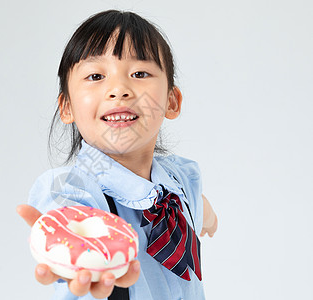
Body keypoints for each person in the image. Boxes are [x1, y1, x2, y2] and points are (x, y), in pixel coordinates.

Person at [17, 9, 218, 300]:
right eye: (96, 75)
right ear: (67, 107)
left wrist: (209, 219)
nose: (119, 89)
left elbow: (199, 207)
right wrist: (77, 259)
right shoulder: (72, 188)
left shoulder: (179, 181)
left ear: (172, 101)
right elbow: (67, 220)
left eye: (139, 73)